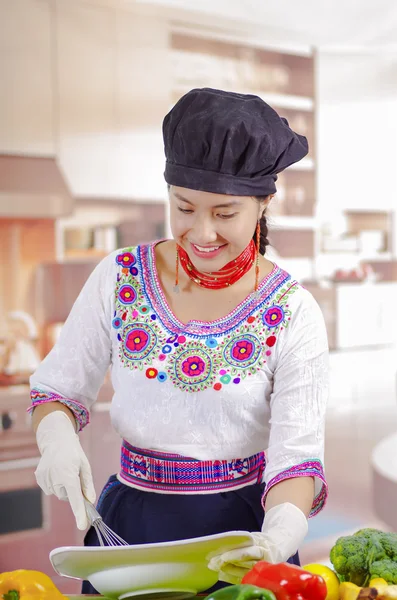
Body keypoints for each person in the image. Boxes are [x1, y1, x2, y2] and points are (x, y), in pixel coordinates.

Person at [29, 88, 329, 592]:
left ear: (263, 204)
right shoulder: (119, 276)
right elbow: (58, 389)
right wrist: (55, 439)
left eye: (225, 213)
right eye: (184, 208)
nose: (202, 232)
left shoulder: (294, 311)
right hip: (128, 530)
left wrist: (277, 538)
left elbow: (297, 456)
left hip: (243, 536)